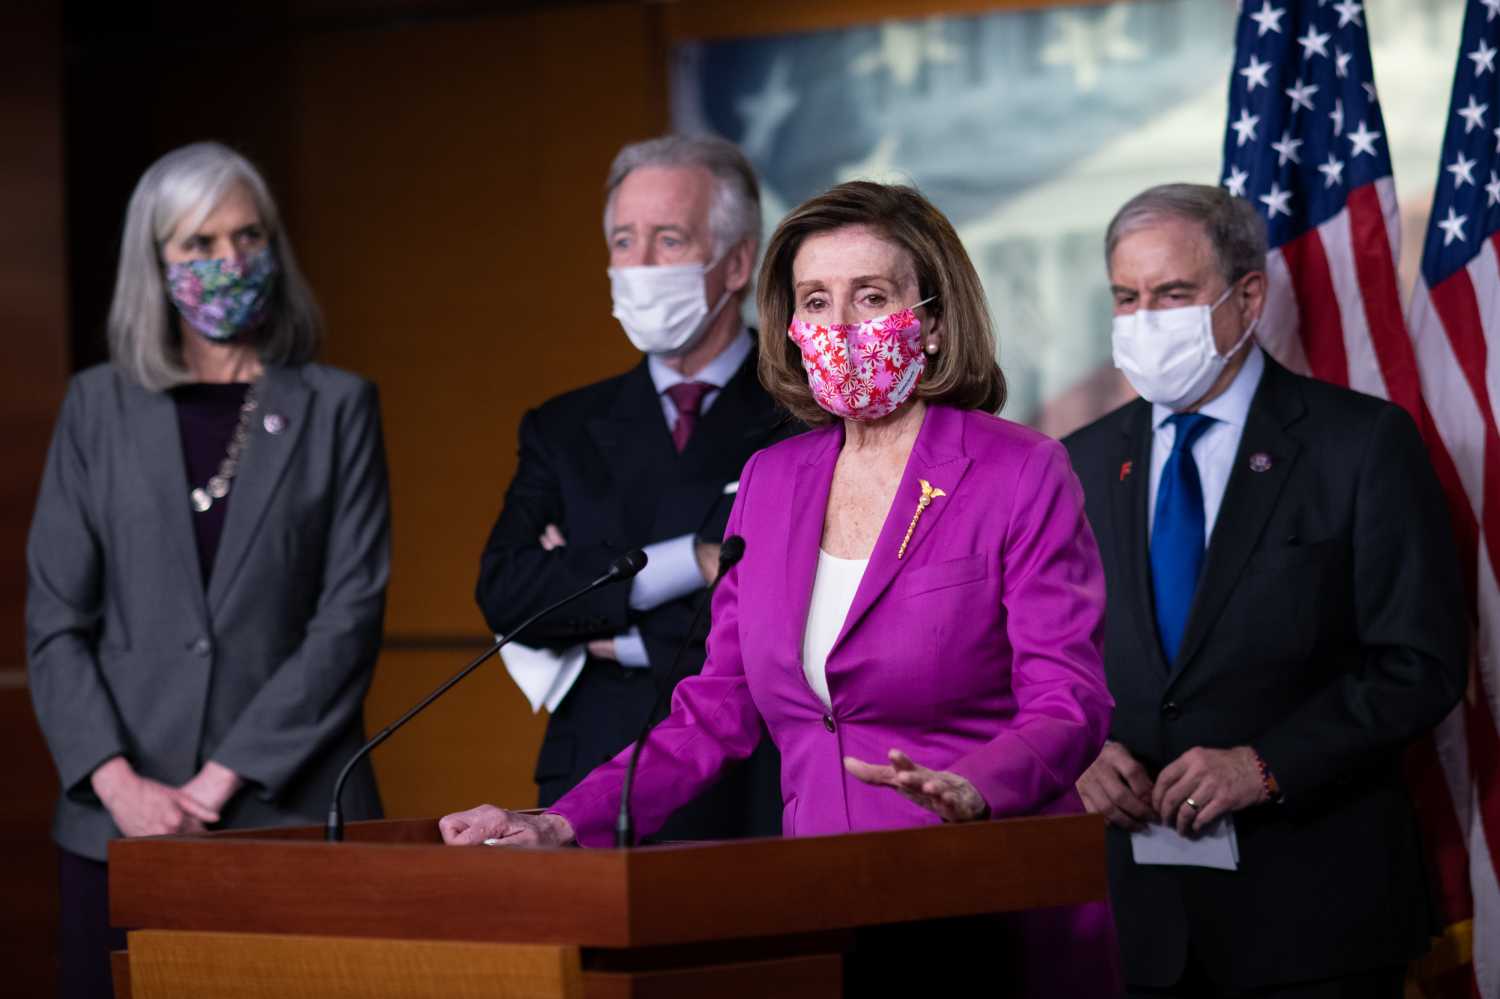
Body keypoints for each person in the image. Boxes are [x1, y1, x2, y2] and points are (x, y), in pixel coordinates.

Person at [445, 181, 1119, 994]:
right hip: (817, 914)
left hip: (980, 902)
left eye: (871, 297)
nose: (841, 326)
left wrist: (977, 785)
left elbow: (1069, 701)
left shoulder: (1018, 470)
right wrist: (562, 821)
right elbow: (714, 708)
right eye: (816, 301)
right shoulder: (770, 479)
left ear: (934, 321)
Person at [1065, 183, 1467, 998]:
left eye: (1172, 294)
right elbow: (1050, 655)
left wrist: (1266, 765)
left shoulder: (1360, 443)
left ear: (1248, 297)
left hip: (1317, 917)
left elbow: (1420, 662)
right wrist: (1080, 748)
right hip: (1141, 923)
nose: (1144, 319)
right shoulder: (1079, 461)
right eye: (1126, 298)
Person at [26, 141, 390, 999]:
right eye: (199, 243)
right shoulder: (95, 407)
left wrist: (219, 781)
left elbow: (349, 616)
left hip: (290, 813)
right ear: (156, 261)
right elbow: (55, 621)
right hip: (117, 825)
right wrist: (119, 784)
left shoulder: (338, 406)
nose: (229, 259)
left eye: (247, 236)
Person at [474, 135, 796, 840]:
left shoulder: (803, 410)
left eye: (669, 239)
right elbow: (506, 591)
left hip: (752, 788)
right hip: (591, 775)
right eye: (624, 241)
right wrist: (693, 561)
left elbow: (789, 613)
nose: (641, 264)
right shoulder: (563, 426)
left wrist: (607, 624)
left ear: (737, 262)